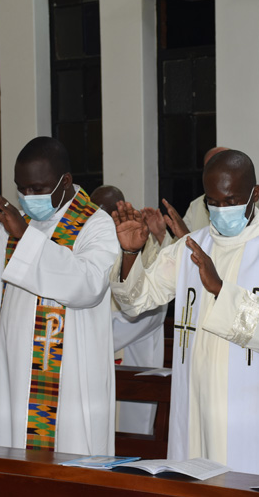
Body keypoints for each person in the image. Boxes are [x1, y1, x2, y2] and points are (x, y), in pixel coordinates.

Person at [109, 150, 259, 480]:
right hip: (194, 403)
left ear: (254, 195)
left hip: (253, 413)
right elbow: (138, 300)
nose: (221, 210)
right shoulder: (189, 247)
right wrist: (130, 254)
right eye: (213, 202)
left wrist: (220, 290)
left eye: (231, 200)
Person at [0, 137, 119, 455]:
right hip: (14, 375)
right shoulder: (16, 224)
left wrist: (24, 237)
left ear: (65, 181)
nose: (28, 197)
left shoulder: (95, 225)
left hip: (69, 380)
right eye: (22, 188)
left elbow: (88, 286)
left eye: (38, 188)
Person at [91, 185, 168, 435]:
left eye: (106, 217)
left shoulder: (148, 255)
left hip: (133, 365)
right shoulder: (87, 250)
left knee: (128, 438)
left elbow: (147, 314)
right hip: (93, 368)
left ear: (120, 214)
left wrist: (83, 334)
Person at [163, 146, 259, 238]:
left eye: (231, 202)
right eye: (213, 204)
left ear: (255, 194)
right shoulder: (196, 206)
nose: (221, 210)